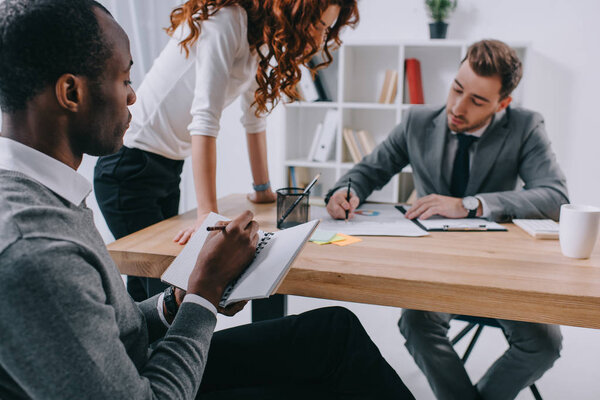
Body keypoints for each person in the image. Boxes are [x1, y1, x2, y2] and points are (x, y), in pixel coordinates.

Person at [0, 1, 415, 398]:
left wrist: (179, 299)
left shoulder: (52, 194)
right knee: (332, 368)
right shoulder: (33, 248)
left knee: (333, 332)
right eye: (125, 79)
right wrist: (205, 289)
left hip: (136, 363)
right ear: (71, 93)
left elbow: (112, 328)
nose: (134, 97)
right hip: (151, 384)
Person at [325, 39, 568, 400]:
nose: (457, 106)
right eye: (457, 88)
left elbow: (555, 197)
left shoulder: (526, 127)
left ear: (503, 103)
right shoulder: (417, 121)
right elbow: (367, 172)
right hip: (436, 267)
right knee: (415, 324)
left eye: (478, 101)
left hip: (501, 269)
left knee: (544, 344)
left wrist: (470, 204)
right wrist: (343, 191)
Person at [93, 0, 359, 301]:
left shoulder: (257, 37)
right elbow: (204, 119)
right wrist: (207, 216)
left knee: (151, 292)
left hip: (166, 168)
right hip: (129, 168)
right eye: (321, 26)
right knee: (166, 290)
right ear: (298, 12)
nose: (322, 37)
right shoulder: (226, 20)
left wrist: (262, 190)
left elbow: (253, 117)